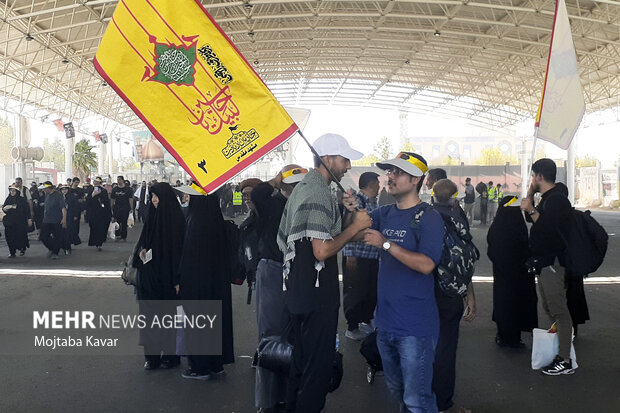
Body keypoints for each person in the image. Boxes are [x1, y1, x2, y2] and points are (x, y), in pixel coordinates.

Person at [277, 133, 370, 413]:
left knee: (301, 363)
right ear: (327, 159)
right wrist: (355, 228)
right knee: (316, 367)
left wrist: (347, 214)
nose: (349, 166)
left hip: (302, 289)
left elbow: (327, 237)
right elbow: (322, 250)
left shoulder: (313, 187)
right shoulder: (317, 190)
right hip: (315, 295)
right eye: (344, 159)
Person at [363, 152, 445, 413]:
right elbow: (356, 231)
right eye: (390, 172)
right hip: (385, 324)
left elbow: (426, 265)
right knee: (398, 393)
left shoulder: (429, 217)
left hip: (415, 328)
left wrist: (386, 244)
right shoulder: (384, 213)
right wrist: (352, 208)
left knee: (416, 400)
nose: (391, 177)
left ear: (416, 179)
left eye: (398, 172)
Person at [251, 165, 307, 413]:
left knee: (292, 334)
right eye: (293, 184)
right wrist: (276, 179)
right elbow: (257, 194)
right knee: (271, 336)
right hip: (273, 271)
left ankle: (287, 392)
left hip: (296, 274)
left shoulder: (303, 207)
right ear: (284, 185)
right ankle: (266, 400)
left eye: (301, 184)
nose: (298, 188)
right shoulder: (271, 205)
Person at [520, 158, 575, 375]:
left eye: (533, 176)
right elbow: (531, 217)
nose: (532, 180)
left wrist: (533, 209)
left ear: (539, 176)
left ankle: (565, 359)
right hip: (544, 262)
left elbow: (547, 230)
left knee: (559, 310)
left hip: (554, 262)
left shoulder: (558, 200)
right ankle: (561, 350)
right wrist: (531, 198)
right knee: (550, 308)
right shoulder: (547, 198)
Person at [429, 179, 476, 413]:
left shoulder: (425, 216)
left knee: (422, 347)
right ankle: (443, 402)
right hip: (452, 295)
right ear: (455, 197)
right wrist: (470, 296)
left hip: (427, 292)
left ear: (433, 196)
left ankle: (421, 398)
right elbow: (467, 260)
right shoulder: (460, 219)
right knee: (446, 349)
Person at [176, 188, 234, 380]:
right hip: (216, 283)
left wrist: (179, 279)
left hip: (197, 284)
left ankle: (199, 367)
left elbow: (188, 257)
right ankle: (215, 364)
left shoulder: (195, 222)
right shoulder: (215, 220)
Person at [133, 182, 185, 370]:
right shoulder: (151, 218)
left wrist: (177, 279)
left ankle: (171, 356)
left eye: (157, 196)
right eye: (152, 196)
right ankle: (152, 356)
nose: (154, 200)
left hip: (167, 280)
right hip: (149, 279)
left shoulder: (177, 220)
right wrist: (141, 251)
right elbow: (143, 242)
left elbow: (179, 253)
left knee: (167, 319)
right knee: (149, 320)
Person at [488, 195, 538, 348]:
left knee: (504, 304)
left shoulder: (497, 227)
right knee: (519, 304)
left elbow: (492, 251)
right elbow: (528, 249)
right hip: (520, 275)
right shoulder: (519, 226)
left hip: (503, 276)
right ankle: (516, 337)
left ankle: (503, 335)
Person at [343, 171, 381, 341]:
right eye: (378, 183)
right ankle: (352, 326)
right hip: (357, 256)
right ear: (371, 184)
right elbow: (348, 230)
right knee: (355, 291)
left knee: (370, 291)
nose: (380, 186)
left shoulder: (373, 203)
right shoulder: (357, 202)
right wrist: (350, 256)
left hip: (371, 255)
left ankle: (366, 320)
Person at [39, 181, 67, 260]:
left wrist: (64, 219)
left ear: (48, 188)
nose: (43, 191)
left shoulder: (58, 195)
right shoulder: (46, 195)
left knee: (57, 237)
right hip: (46, 220)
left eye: (44, 189)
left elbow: (63, 208)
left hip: (56, 220)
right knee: (43, 236)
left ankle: (55, 252)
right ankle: (52, 248)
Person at [2, 184, 32, 258]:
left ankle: (22, 248)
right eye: (11, 191)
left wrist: (29, 219)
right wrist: (5, 209)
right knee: (9, 237)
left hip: (20, 222)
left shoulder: (22, 200)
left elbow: (26, 210)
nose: (12, 192)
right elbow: (4, 208)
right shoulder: (8, 199)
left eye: (13, 191)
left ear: (17, 192)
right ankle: (12, 252)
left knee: (20, 236)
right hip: (9, 222)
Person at [86, 177, 112, 251]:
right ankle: (95, 242)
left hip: (102, 213)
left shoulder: (103, 191)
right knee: (93, 228)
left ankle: (99, 243)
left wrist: (109, 214)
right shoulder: (91, 190)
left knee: (101, 228)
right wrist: (93, 195)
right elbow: (88, 202)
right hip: (93, 213)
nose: (95, 182)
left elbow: (106, 202)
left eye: (97, 181)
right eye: (94, 181)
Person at [110, 175, 134, 241]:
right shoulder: (115, 189)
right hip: (117, 207)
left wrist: (131, 208)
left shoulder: (128, 189)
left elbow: (130, 199)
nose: (118, 181)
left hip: (125, 207)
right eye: (117, 180)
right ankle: (118, 235)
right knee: (116, 222)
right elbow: (112, 199)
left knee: (124, 223)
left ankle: (124, 236)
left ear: (123, 180)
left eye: (119, 179)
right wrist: (111, 207)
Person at [60, 185, 78, 255]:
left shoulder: (72, 196)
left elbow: (76, 206)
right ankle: (63, 246)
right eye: (62, 189)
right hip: (61, 217)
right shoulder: (59, 197)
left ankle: (68, 247)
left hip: (70, 216)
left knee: (68, 232)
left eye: (65, 189)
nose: (64, 191)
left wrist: (76, 215)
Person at [70, 177, 84, 245]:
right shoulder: (69, 190)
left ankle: (75, 238)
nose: (77, 184)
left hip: (77, 209)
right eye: (76, 182)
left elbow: (83, 199)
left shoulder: (80, 190)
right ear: (73, 182)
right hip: (70, 209)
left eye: (78, 182)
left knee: (76, 224)